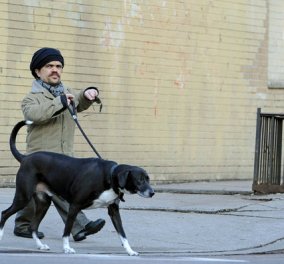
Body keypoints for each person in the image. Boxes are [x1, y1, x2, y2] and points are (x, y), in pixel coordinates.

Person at [13, 47, 105, 242]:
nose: (55, 69)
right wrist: (60, 101)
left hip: (65, 156)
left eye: (58, 66)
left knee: (33, 195)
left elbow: (78, 101)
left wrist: (88, 94)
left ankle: (23, 224)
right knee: (59, 193)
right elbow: (36, 115)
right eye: (49, 66)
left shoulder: (67, 92)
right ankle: (80, 226)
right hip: (41, 158)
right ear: (38, 71)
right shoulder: (31, 98)